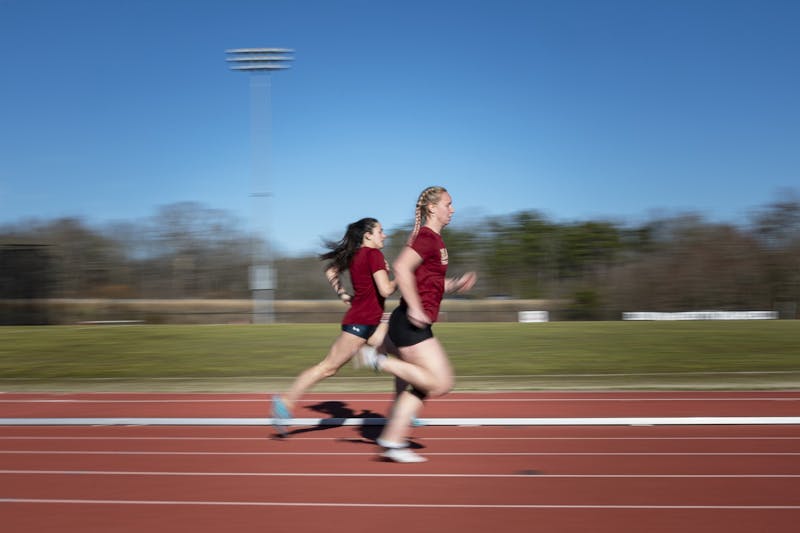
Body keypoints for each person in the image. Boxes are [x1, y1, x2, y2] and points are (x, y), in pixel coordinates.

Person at [357, 186, 477, 462]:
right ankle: (377, 361)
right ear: (432, 208)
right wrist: (415, 308)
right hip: (410, 323)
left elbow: (430, 283)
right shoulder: (426, 237)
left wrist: (456, 285)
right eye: (449, 203)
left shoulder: (435, 240)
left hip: (410, 322)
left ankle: (393, 441)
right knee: (441, 383)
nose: (453, 209)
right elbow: (401, 268)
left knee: (421, 386)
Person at [271, 217, 396, 436]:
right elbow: (385, 290)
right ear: (368, 235)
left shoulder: (357, 255)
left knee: (403, 350)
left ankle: (402, 408)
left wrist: (343, 294)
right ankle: (284, 401)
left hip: (372, 321)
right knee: (328, 368)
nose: (384, 235)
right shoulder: (373, 255)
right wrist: (403, 277)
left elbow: (330, 270)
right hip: (361, 322)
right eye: (380, 231)